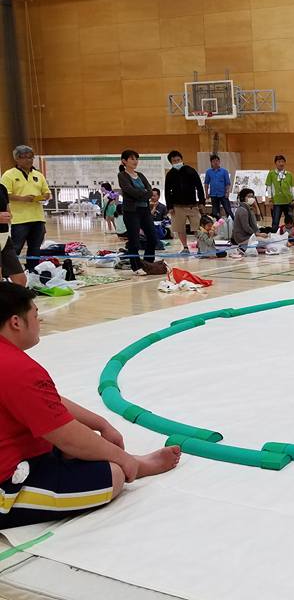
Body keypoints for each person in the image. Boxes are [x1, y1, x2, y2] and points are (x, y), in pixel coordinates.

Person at [0, 284, 181, 531]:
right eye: (35, 314)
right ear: (16, 322)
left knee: (84, 447)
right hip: (6, 483)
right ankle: (135, 465)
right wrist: (125, 461)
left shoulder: (10, 363)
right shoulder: (17, 369)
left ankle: (129, 462)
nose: (39, 320)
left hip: (18, 454)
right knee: (113, 475)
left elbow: (47, 401)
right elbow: (66, 437)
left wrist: (101, 424)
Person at [1, 146, 50, 273]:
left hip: (38, 218)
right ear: (17, 159)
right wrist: (22, 198)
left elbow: (47, 192)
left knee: (35, 248)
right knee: (15, 248)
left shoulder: (38, 175)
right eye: (25, 157)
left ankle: (32, 272)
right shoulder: (9, 175)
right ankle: (9, 272)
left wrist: (44, 196)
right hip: (19, 220)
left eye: (31, 157)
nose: (29, 160)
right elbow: (4, 194)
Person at [117, 150, 157, 276]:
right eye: (132, 159)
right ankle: (136, 266)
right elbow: (130, 191)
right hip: (131, 212)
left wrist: (144, 194)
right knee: (134, 240)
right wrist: (143, 194)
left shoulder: (140, 175)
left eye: (136, 159)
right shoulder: (122, 176)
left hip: (145, 210)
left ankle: (148, 263)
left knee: (152, 238)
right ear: (124, 161)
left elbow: (150, 191)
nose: (135, 161)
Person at [164, 150, 206, 254]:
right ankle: (185, 247)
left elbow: (199, 187)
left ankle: (201, 246)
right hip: (177, 206)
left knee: (197, 227)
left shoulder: (190, 170)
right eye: (174, 161)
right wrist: (169, 206)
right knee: (180, 228)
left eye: (178, 160)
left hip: (192, 205)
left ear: (182, 159)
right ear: (171, 162)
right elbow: (167, 191)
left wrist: (202, 201)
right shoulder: (170, 174)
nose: (177, 162)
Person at [229, 188, 267, 258]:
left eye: (252, 196)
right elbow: (246, 227)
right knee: (265, 242)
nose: (251, 198)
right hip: (242, 237)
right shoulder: (242, 210)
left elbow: (258, 219)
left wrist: (256, 206)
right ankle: (243, 246)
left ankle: (250, 247)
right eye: (249, 196)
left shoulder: (249, 208)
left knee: (265, 241)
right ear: (243, 198)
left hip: (249, 235)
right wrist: (258, 234)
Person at [0, 181, 25, 286]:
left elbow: (7, 210)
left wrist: (9, 215)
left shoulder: (2, 188)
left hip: (4, 237)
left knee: (20, 280)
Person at [265, 155, 294, 232]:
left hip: (288, 201)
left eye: (283, 161)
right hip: (276, 202)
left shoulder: (289, 174)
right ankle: (274, 235)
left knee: (290, 221)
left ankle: (292, 235)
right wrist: (270, 199)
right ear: (275, 163)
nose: (281, 163)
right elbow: (269, 186)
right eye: (279, 162)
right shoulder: (271, 174)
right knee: (275, 221)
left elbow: (292, 187)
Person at [203, 154, 232, 219]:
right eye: (213, 161)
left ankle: (233, 223)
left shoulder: (224, 171)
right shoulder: (208, 172)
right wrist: (206, 193)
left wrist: (227, 192)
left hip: (223, 194)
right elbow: (206, 183)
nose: (215, 162)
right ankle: (217, 224)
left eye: (217, 161)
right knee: (215, 212)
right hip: (213, 194)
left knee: (228, 210)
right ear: (211, 163)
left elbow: (227, 183)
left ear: (219, 161)